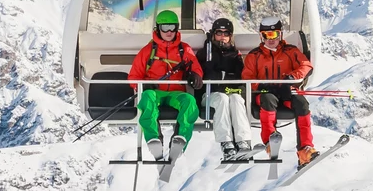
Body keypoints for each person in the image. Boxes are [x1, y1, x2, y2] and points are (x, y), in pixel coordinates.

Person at [242, 16, 319, 167]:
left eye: (274, 35)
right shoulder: (254, 55)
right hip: (264, 94)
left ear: (280, 35)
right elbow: (247, 78)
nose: (271, 39)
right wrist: (263, 86)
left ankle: (305, 149)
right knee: (268, 100)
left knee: (302, 103)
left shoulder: (291, 51)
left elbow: (306, 66)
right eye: (266, 35)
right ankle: (270, 141)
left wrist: (292, 78)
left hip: (286, 93)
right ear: (261, 36)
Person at [127, 10, 203, 162]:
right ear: (158, 28)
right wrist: (143, 86)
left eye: (172, 27)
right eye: (165, 27)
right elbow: (134, 76)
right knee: (147, 98)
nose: (169, 32)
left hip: (176, 93)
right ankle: (153, 138)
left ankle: (180, 139)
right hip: (156, 92)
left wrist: (195, 76)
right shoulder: (148, 51)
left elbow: (196, 68)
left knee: (189, 101)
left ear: (177, 28)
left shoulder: (184, 49)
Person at [196, 17, 254, 159]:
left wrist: (221, 76)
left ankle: (243, 141)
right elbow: (204, 74)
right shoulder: (205, 53)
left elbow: (240, 76)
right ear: (213, 34)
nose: (222, 37)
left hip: (230, 92)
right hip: (210, 94)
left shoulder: (235, 54)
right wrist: (224, 76)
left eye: (226, 33)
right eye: (219, 33)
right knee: (222, 99)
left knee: (236, 99)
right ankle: (226, 142)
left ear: (230, 36)